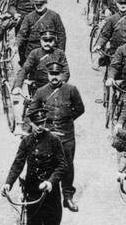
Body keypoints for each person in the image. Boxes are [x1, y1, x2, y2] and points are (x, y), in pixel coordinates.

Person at [2, 105, 68, 225]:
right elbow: (17, 164)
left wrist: (51, 182)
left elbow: (62, 166)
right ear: (30, 123)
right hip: (31, 193)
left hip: (50, 195)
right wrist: (8, 183)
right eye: (36, 123)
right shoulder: (26, 142)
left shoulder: (54, 140)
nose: (40, 126)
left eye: (43, 122)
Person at [28, 60, 85, 212]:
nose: (54, 77)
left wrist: (66, 118)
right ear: (47, 75)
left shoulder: (71, 90)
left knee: (67, 165)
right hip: (48, 135)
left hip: (66, 135)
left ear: (62, 75)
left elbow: (80, 108)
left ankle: (67, 196)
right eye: (51, 74)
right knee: (48, 164)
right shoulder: (40, 92)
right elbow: (31, 113)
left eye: (57, 74)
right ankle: (49, 194)